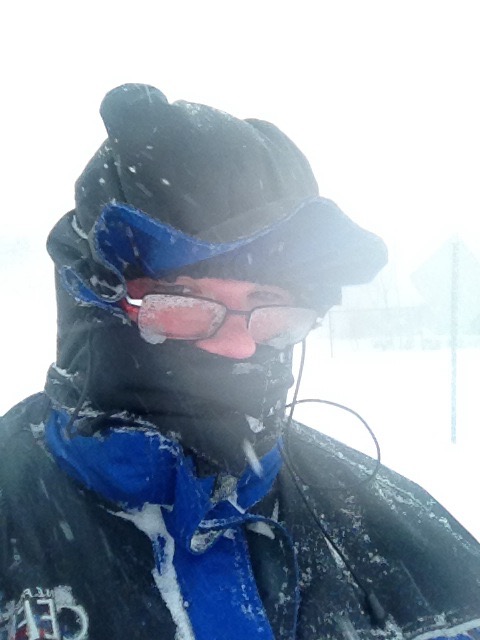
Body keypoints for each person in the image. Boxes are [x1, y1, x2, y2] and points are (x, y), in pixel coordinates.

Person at [1, 84, 479, 640]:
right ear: (98, 302)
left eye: (267, 304)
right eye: (183, 301)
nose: (237, 347)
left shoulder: (414, 554)